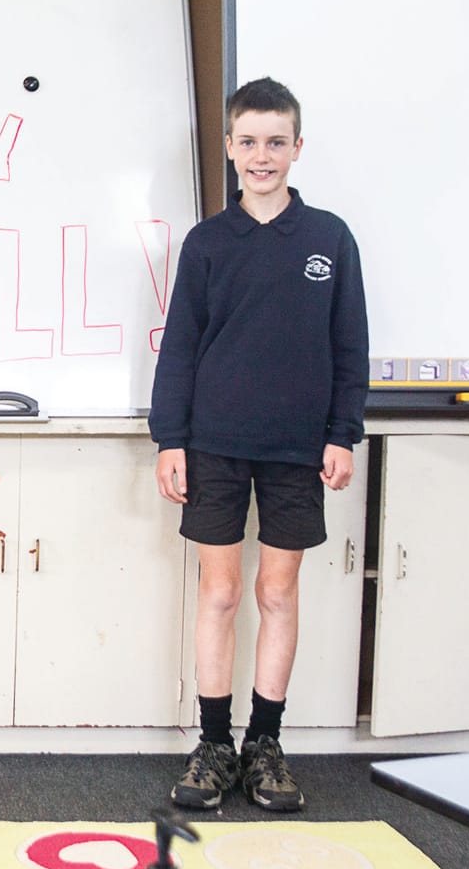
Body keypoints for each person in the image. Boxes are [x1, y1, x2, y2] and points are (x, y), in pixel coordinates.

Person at [149, 77, 367, 812]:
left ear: (297, 148)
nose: (262, 156)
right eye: (249, 142)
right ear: (231, 149)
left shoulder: (329, 239)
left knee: (277, 591)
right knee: (221, 591)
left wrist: (342, 435)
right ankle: (213, 743)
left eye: (277, 142)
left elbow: (349, 347)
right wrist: (169, 439)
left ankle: (264, 743)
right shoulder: (209, 243)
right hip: (213, 443)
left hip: (296, 449)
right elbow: (180, 347)